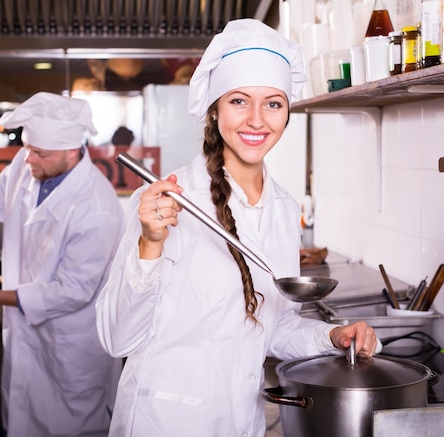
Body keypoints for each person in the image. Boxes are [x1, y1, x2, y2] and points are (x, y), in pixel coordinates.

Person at [95, 19, 381, 437]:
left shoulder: (283, 208)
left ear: (287, 112)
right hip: (166, 422)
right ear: (214, 108)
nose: (257, 120)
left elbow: (273, 324)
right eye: (239, 101)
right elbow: (116, 338)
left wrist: (332, 336)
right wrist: (150, 244)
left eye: (273, 103)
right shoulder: (169, 200)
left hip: (241, 422)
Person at [0, 92, 125, 436]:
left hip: (71, 350)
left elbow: (73, 291)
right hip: (26, 342)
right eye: (26, 148)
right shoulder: (27, 167)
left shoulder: (97, 205)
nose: (29, 159)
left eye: (40, 153)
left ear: (72, 151)